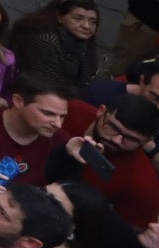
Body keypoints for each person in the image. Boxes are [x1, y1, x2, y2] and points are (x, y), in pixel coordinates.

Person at [47, 94, 159, 227]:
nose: (116, 139)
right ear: (101, 111)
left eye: (131, 139)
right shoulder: (68, 111)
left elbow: (125, 234)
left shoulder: (143, 185)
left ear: (147, 141)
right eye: (113, 127)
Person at [13, 0, 104, 95]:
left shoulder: (82, 41)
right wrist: (85, 90)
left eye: (93, 22)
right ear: (59, 17)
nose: (87, 26)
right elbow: (50, 87)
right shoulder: (46, 42)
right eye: (78, 19)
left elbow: (87, 76)